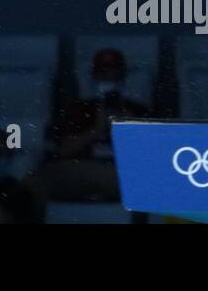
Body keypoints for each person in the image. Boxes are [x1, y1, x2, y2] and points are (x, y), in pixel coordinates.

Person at [38, 48, 149, 203]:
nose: (109, 78)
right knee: (47, 174)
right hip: (83, 171)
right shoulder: (77, 109)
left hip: (121, 173)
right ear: (94, 76)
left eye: (114, 73)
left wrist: (129, 126)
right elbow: (63, 149)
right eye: (103, 73)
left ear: (122, 76)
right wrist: (97, 129)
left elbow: (151, 154)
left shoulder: (138, 110)